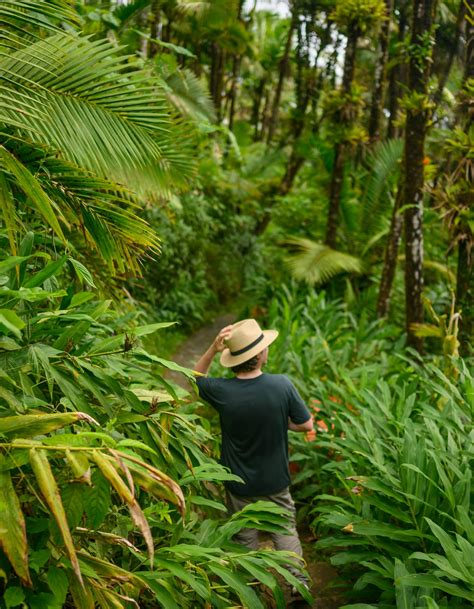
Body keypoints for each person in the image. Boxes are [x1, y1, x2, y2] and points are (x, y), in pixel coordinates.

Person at [194, 318, 313, 592]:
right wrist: (278, 419)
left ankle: (248, 589)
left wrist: (212, 348)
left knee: (243, 536)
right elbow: (306, 424)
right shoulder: (282, 385)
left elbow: (195, 377)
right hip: (275, 480)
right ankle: (299, 585)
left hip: (239, 482)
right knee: (284, 531)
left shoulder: (222, 391)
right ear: (259, 355)